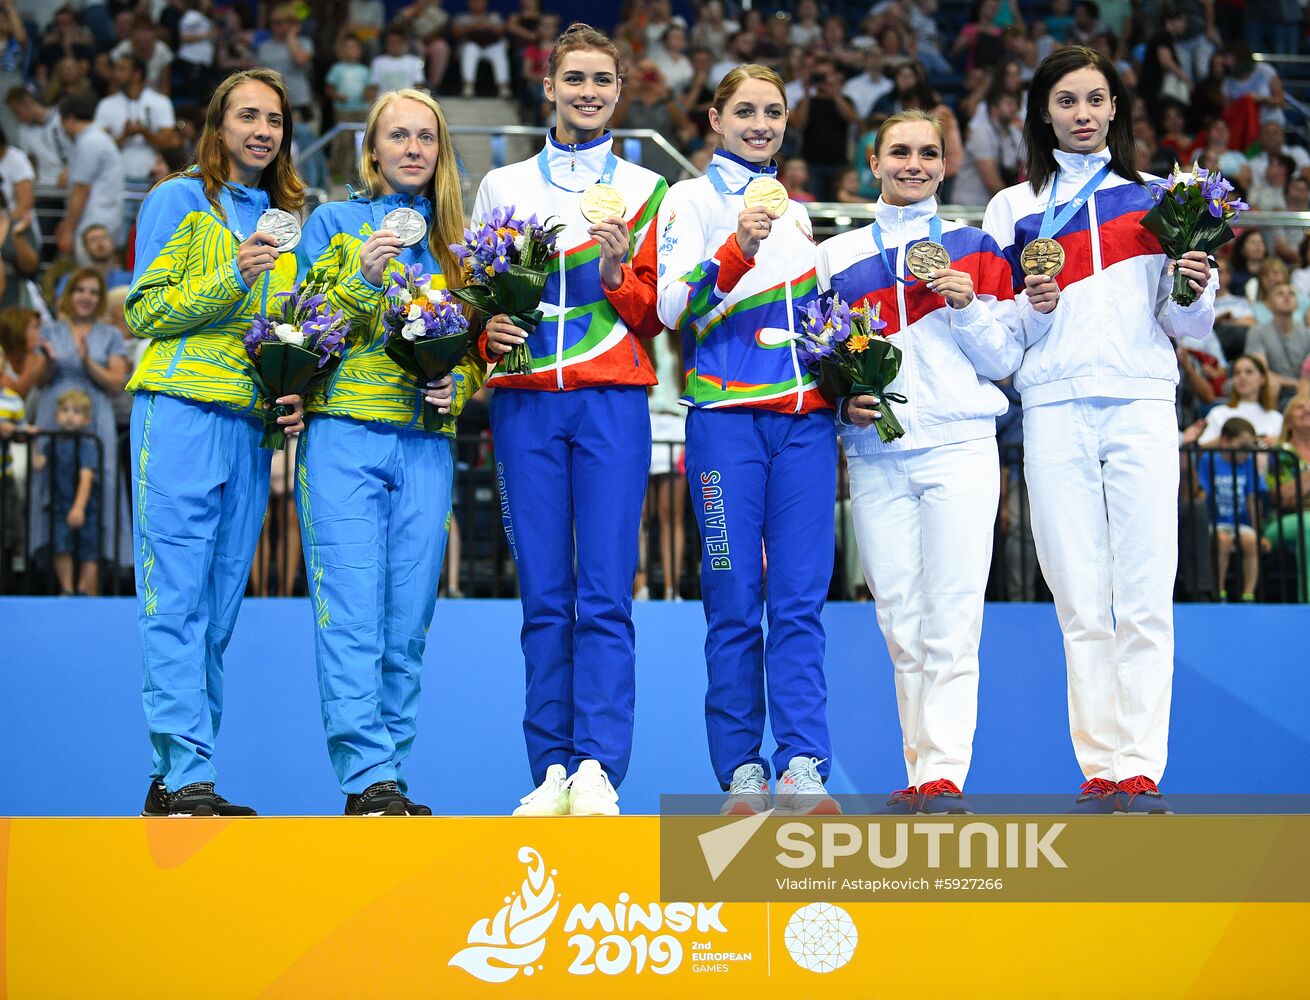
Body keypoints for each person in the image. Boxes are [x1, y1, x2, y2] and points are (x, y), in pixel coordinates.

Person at [982, 47, 1216, 813]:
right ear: (1043, 112)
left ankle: (1141, 765)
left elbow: (1185, 323)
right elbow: (1000, 339)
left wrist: (1194, 285)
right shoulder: (1010, 209)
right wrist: (1031, 305)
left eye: (1096, 99)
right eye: (1067, 101)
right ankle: (1100, 766)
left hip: (1143, 402)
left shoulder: (1161, 197)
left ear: (1116, 108)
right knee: (1081, 597)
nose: (1083, 113)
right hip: (1051, 411)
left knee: (1145, 593)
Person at [473, 24, 666, 818]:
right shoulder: (503, 186)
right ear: (548, 87)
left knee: (606, 593)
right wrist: (491, 334)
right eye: (575, 79)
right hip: (523, 404)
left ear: (620, 92)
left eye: (603, 81)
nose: (589, 93)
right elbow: (479, 299)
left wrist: (618, 270)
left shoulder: (648, 189)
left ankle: (598, 769)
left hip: (611, 399)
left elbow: (654, 315)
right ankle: (550, 768)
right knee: (544, 596)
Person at [818, 109, 1022, 813]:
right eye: (899, 152)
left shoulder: (975, 244)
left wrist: (966, 303)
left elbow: (1005, 360)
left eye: (928, 153)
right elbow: (824, 367)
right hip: (876, 457)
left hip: (961, 447)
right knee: (899, 617)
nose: (914, 164)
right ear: (872, 162)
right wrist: (846, 409)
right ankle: (920, 771)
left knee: (953, 615)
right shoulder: (837, 257)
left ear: (944, 164)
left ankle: (944, 774)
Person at [294, 88, 485, 817]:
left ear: (440, 152)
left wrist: (459, 384)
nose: (412, 148)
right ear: (370, 151)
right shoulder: (333, 224)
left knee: (408, 622)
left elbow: (471, 348)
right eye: (397, 136)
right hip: (343, 431)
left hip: (427, 444)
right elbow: (301, 331)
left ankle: (390, 779)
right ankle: (365, 774)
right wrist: (362, 276)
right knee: (351, 615)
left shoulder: (456, 243)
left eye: (426, 137)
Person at [656, 64, 838, 817]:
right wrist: (734, 244)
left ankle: (801, 762)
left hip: (805, 428)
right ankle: (741, 770)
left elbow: (819, 320)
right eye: (746, 112)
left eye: (773, 112)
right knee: (734, 599)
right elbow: (672, 309)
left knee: (799, 602)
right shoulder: (689, 201)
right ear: (714, 119)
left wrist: (848, 377)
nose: (761, 124)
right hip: (727, 424)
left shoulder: (796, 212)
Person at [125, 68, 306, 817]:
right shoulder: (177, 198)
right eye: (248, 117)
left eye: (274, 120)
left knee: (219, 609)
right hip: (177, 410)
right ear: (219, 125)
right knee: (175, 600)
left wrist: (293, 385)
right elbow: (143, 309)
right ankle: (186, 772)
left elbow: (286, 331)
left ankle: (177, 779)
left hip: (247, 428)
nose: (263, 131)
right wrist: (232, 275)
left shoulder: (284, 216)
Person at [32, 387, 99, 594]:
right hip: (59, 504)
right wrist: (33, 439)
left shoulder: (88, 443)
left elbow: (86, 477)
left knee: (90, 549)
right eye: (66, 410)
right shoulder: (52, 442)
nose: (70, 416)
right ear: (56, 415)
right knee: (60, 546)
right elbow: (38, 464)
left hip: (85, 506)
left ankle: (85, 591)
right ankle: (67, 589)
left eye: (76, 412)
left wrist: (78, 507)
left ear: (86, 419)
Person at [1195, 416, 1267, 601]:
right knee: (1223, 540)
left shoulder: (1248, 463)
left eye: (1250, 447)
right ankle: (1219, 591)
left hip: (1240, 522)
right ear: (1225, 440)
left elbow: (1252, 499)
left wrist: (1259, 532)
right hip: (1215, 522)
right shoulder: (1209, 460)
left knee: (1251, 542)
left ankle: (1248, 593)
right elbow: (1203, 493)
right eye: (1243, 446)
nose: (1246, 453)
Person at [55, 92, 124, 260]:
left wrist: (68, 227)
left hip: (94, 223)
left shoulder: (90, 142)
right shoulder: (95, 139)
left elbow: (81, 190)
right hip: (100, 219)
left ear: (69, 119)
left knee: (92, 277)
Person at [93, 54, 177, 184]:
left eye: (122, 69)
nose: (116, 74)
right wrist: (124, 136)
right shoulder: (106, 105)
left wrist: (144, 132)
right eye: (115, 69)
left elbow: (167, 142)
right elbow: (98, 146)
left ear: (137, 74)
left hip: (153, 175)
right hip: (117, 177)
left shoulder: (161, 102)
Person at [1264, 393, 1310, 600]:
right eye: (1300, 407)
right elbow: (1282, 498)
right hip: (1281, 521)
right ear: (1289, 419)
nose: (1307, 410)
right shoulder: (1281, 452)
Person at [1186, 353, 1285, 446]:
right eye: (1237, 373)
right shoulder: (1218, 413)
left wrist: (1278, 443)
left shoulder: (1276, 418)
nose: (1242, 377)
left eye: (1249, 372)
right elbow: (1200, 447)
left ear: (1262, 378)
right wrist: (1227, 441)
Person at [1245, 282, 1310, 404]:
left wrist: (1302, 385)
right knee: (1271, 383)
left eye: (1291, 294)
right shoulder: (1258, 331)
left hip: (1304, 387)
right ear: (1268, 304)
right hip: (1273, 387)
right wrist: (1293, 383)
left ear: (1297, 304)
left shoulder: (1307, 334)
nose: (1286, 296)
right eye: (1280, 294)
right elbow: (1259, 369)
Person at [453, 0, 511, 99]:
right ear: (469, 3)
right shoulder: (463, 17)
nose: (477, 4)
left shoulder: (493, 16)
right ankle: (468, 86)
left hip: (491, 47)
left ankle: (503, 87)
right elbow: (455, 33)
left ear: (485, 3)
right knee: (470, 48)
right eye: (474, 2)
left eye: (480, 2)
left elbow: (502, 31)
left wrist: (487, 25)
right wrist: (473, 26)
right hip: (472, 47)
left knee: (498, 49)